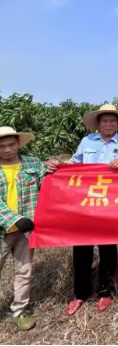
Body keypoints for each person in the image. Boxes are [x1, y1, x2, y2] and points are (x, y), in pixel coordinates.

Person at [47, 104, 118, 315]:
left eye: (112, 121)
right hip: (84, 203)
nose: (108, 124)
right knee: (82, 248)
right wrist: (57, 165)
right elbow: (74, 162)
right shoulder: (86, 142)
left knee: (108, 249)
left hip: (111, 204)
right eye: (104, 121)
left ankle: (105, 292)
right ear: (98, 124)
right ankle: (80, 293)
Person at [0, 127, 48, 330]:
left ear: (19, 144)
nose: (7, 150)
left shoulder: (33, 163)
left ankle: (19, 311)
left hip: (26, 230)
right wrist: (14, 218)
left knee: (24, 271)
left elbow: (47, 183)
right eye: (2, 147)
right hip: (4, 228)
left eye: (11, 145)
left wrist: (57, 170)